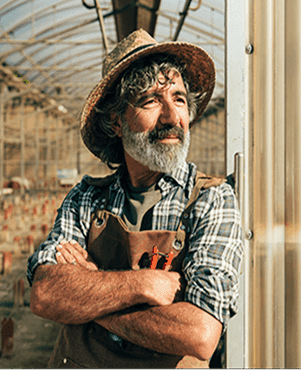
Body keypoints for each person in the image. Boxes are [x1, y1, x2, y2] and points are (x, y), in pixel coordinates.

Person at [26, 29, 243, 369]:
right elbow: (45, 294)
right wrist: (144, 284)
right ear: (115, 120)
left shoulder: (210, 200)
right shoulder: (85, 198)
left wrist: (91, 300)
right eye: (151, 101)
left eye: (180, 99)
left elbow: (199, 332)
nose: (172, 118)